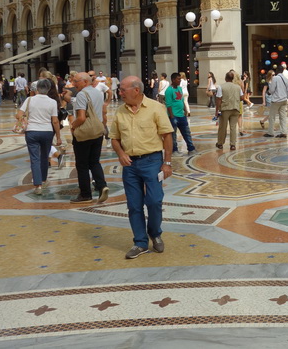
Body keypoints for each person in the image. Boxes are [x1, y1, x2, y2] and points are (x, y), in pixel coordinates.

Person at [110, 76, 174, 260]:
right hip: (130, 164)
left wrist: (167, 162)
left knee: (154, 201)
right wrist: (121, 153)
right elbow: (114, 137)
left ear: (136, 90)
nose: (119, 93)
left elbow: (167, 136)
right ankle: (140, 242)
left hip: (152, 161)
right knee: (134, 205)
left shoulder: (156, 108)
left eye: (123, 89)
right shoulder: (120, 111)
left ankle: (155, 232)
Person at [16, 79, 62, 195]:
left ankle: (38, 186)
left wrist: (25, 119)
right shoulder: (52, 102)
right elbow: (55, 121)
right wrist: (58, 136)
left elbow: (19, 115)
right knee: (45, 157)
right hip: (47, 132)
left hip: (32, 132)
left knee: (34, 158)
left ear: (37, 88)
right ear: (48, 89)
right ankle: (44, 179)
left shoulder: (30, 99)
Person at [69, 72, 109, 203]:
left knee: (82, 164)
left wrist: (73, 126)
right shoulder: (98, 92)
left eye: (76, 81)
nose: (74, 84)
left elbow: (81, 117)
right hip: (97, 131)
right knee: (94, 161)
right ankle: (102, 186)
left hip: (85, 133)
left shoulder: (82, 94)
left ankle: (85, 194)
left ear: (85, 82)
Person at [165, 72, 196, 154]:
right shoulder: (169, 90)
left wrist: (185, 109)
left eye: (180, 79)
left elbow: (182, 100)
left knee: (186, 132)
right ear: (173, 80)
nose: (180, 80)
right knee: (173, 135)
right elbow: (168, 104)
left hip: (181, 115)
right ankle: (174, 150)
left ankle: (191, 148)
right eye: (178, 79)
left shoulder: (179, 88)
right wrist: (172, 117)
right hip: (174, 116)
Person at [216, 71, 242, 151]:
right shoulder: (238, 87)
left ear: (225, 78)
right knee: (233, 127)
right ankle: (233, 144)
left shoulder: (221, 87)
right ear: (232, 78)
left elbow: (219, 99)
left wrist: (217, 110)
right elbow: (242, 97)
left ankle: (220, 143)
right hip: (235, 108)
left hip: (225, 109)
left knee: (223, 127)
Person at [265, 67, 288, 138]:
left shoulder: (275, 78)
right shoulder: (286, 79)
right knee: (283, 117)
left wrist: (269, 93)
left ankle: (270, 132)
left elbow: (272, 89)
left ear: (277, 71)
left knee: (272, 117)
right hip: (284, 100)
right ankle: (283, 132)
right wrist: (286, 97)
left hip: (276, 100)